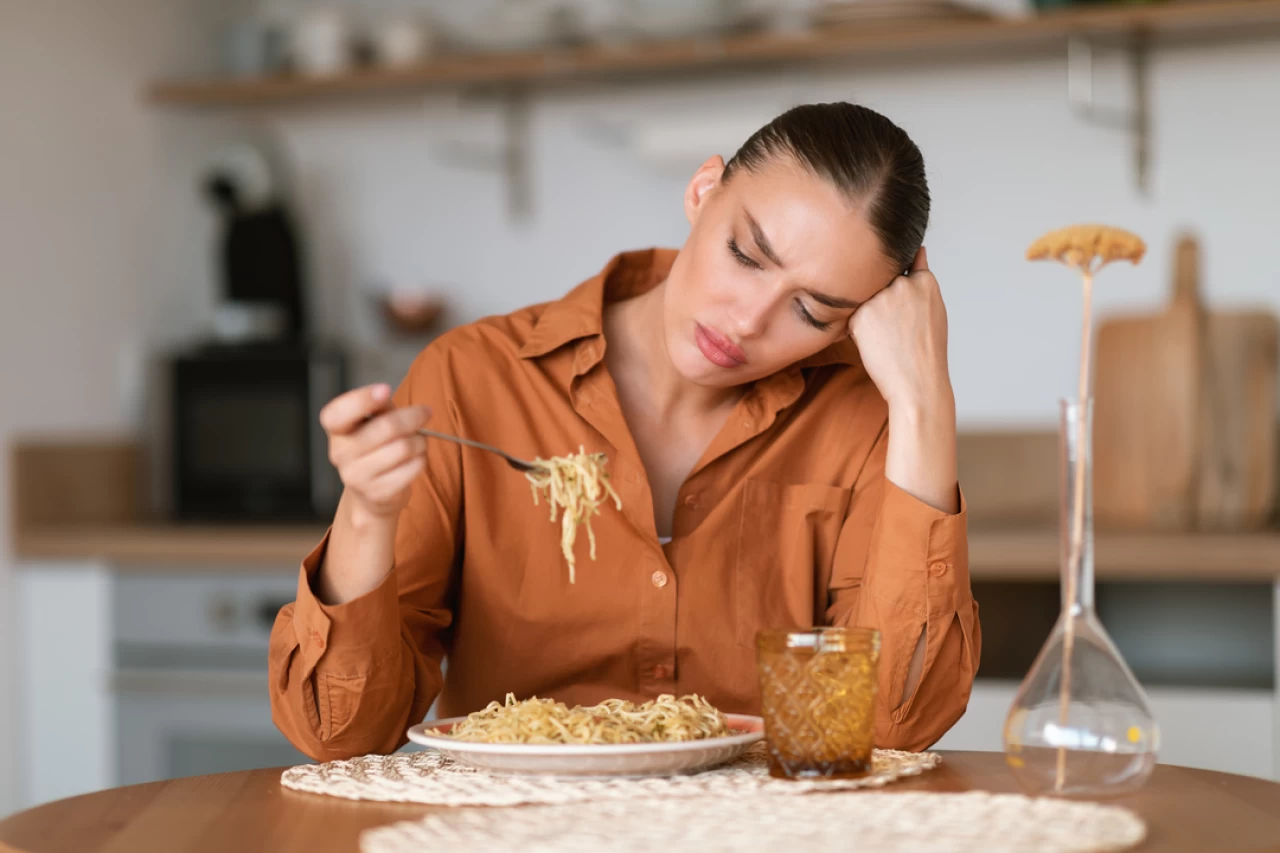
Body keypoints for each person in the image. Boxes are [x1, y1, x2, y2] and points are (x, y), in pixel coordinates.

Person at [269, 102, 980, 762]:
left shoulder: (861, 414)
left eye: (814, 311)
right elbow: (342, 731)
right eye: (746, 254)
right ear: (704, 191)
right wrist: (366, 510)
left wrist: (924, 401)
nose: (748, 319)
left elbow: (893, 727)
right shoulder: (471, 379)